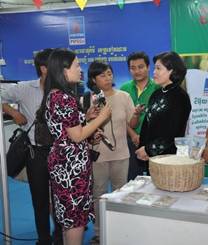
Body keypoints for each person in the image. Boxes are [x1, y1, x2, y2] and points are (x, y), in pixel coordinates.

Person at [38, 49, 111, 245]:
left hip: (64, 162)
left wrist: (87, 118)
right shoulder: (64, 98)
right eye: (77, 65)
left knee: (68, 219)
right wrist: (102, 118)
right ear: (63, 70)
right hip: (71, 167)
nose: (80, 69)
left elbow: (66, 129)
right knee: (75, 221)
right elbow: (77, 136)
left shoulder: (54, 95)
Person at [2, 48, 64, 245]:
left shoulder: (66, 89)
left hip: (61, 153)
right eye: (57, 65)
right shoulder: (24, 88)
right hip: (35, 153)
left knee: (61, 199)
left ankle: (61, 237)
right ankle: (44, 239)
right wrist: (12, 112)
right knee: (39, 200)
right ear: (44, 68)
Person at [86, 61, 138, 244]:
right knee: (98, 194)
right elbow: (81, 127)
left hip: (121, 154)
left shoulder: (124, 96)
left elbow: (131, 124)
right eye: (102, 75)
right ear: (93, 79)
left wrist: (137, 115)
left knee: (120, 193)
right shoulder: (88, 99)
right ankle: (99, 233)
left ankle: (119, 229)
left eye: (109, 74)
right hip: (98, 155)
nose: (108, 78)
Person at [135, 51, 191, 162]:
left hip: (169, 159)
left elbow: (172, 132)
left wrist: (148, 149)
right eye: (154, 68)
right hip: (151, 157)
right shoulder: (157, 93)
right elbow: (147, 125)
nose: (154, 72)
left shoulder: (180, 96)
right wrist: (143, 148)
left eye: (158, 68)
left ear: (172, 70)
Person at [120, 52, 159, 180]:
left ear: (148, 67)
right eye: (133, 68)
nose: (137, 71)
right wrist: (133, 135)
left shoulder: (158, 88)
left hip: (153, 142)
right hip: (130, 142)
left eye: (141, 67)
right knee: (131, 180)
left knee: (156, 179)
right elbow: (121, 117)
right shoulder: (124, 89)